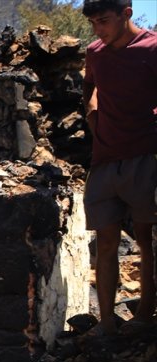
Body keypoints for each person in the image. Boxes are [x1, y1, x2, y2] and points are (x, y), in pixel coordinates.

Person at [82, 0, 157, 334]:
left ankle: (144, 317)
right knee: (106, 240)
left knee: (147, 239)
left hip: (145, 156)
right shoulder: (95, 52)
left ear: (127, 13)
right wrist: (93, 116)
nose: (99, 30)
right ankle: (107, 322)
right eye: (93, 23)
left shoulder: (153, 48)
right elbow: (90, 88)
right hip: (104, 160)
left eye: (104, 21)